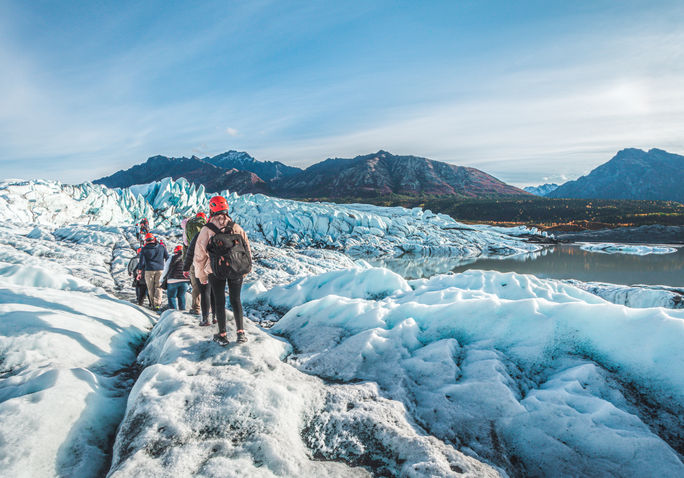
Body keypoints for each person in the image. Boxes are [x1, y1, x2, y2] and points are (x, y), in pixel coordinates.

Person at [193, 195, 251, 345]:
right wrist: (245, 268)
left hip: (215, 269)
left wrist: (201, 276)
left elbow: (199, 255)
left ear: (211, 210)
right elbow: (246, 248)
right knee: (236, 300)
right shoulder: (235, 226)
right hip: (236, 268)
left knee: (219, 301)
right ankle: (240, 333)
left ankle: (222, 334)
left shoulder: (207, 229)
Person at [184, 214, 216, 326]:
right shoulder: (218, 233)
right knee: (214, 291)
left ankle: (205, 318)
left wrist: (186, 266)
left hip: (200, 266)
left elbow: (189, 249)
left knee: (204, 291)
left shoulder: (198, 234)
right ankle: (215, 316)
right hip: (215, 267)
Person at [183, 212, 208, 315]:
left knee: (195, 285)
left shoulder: (188, 228)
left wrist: (185, 265)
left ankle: (196, 308)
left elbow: (185, 246)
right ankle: (209, 309)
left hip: (194, 260)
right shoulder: (208, 226)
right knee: (208, 284)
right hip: (206, 259)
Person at [139, 232, 168, 310]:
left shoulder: (144, 249)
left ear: (146, 241)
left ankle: (152, 304)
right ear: (154, 239)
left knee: (150, 288)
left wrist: (139, 271)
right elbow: (167, 258)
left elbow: (141, 262)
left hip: (149, 270)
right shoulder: (162, 247)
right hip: (160, 270)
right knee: (158, 287)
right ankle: (157, 303)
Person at [164, 245, 190, 310]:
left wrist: (162, 279)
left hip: (172, 280)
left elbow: (166, 269)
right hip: (185, 280)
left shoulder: (172, 258)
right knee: (181, 296)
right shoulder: (187, 258)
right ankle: (182, 311)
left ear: (175, 252)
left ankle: (173, 312)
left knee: (171, 297)